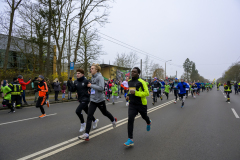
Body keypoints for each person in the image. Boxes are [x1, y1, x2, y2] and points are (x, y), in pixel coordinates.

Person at [78, 63, 117, 141]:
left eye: (92, 68)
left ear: (96, 70)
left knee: (104, 112)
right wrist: (90, 90)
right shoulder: (92, 77)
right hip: (93, 100)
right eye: (91, 68)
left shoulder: (100, 77)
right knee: (89, 115)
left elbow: (101, 88)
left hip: (100, 99)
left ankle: (113, 120)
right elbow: (93, 87)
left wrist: (91, 86)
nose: (90, 69)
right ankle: (86, 134)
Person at [124, 67, 151, 146]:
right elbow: (130, 90)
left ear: (138, 73)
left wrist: (136, 93)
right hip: (132, 104)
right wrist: (128, 95)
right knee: (130, 120)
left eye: (134, 72)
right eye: (132, 72)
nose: (132, 73)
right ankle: (130, 139)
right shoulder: (129, 81)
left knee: (144, 116)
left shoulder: (142, 82)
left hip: (141, 104)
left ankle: (148, 122)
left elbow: (147, 93)